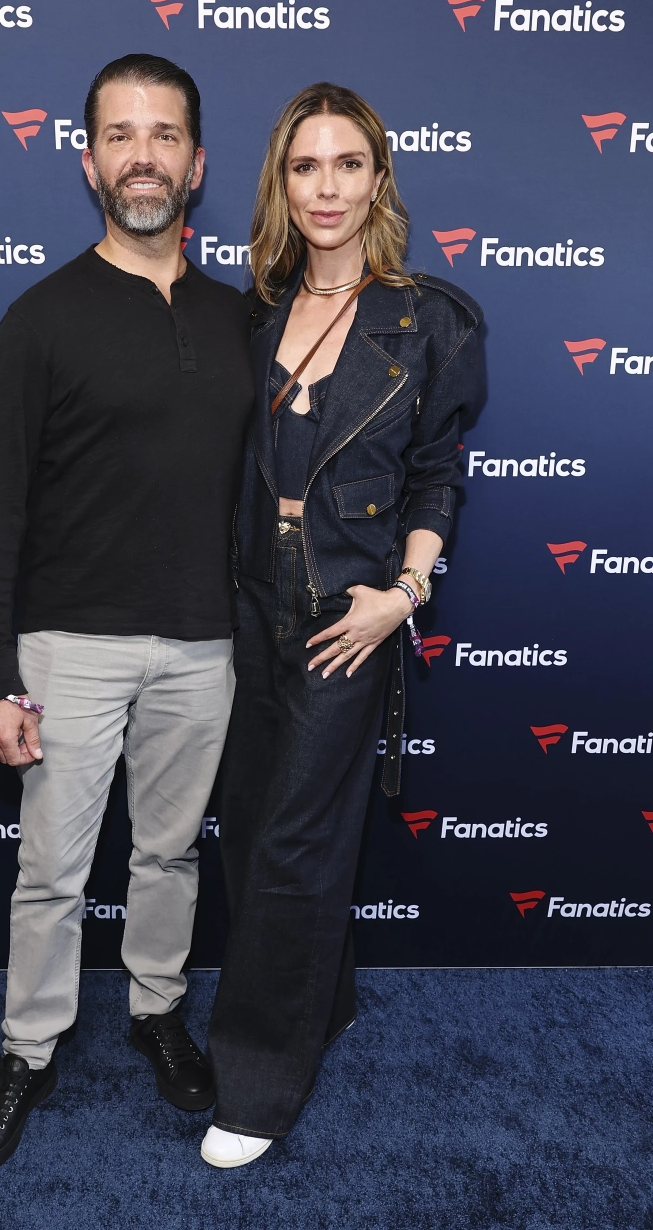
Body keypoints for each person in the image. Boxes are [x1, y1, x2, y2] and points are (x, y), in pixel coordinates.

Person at [0, 53, 254, 1178]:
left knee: (170, 854)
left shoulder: (241, 319)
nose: (143, 156)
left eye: (164, 135)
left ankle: (156, 1009)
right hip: (67, 643)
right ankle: (27, 1049)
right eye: (120, 135)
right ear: (89, 164)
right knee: (52, 872)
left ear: (197, 163)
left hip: (204, 642)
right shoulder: (39, 317)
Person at [201, 83, 484, 1168]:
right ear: (281, 182)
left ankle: (257, 1083)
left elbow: (436, 477)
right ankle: (324, 1001)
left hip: (346, 609)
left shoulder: (430, 318)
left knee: (296, 841)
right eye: (304, 165)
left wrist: (402, 596)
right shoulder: (252, 316)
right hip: (246, 600)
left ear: (378, 180)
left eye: (347, 164)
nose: (326, 187)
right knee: (250, 827)